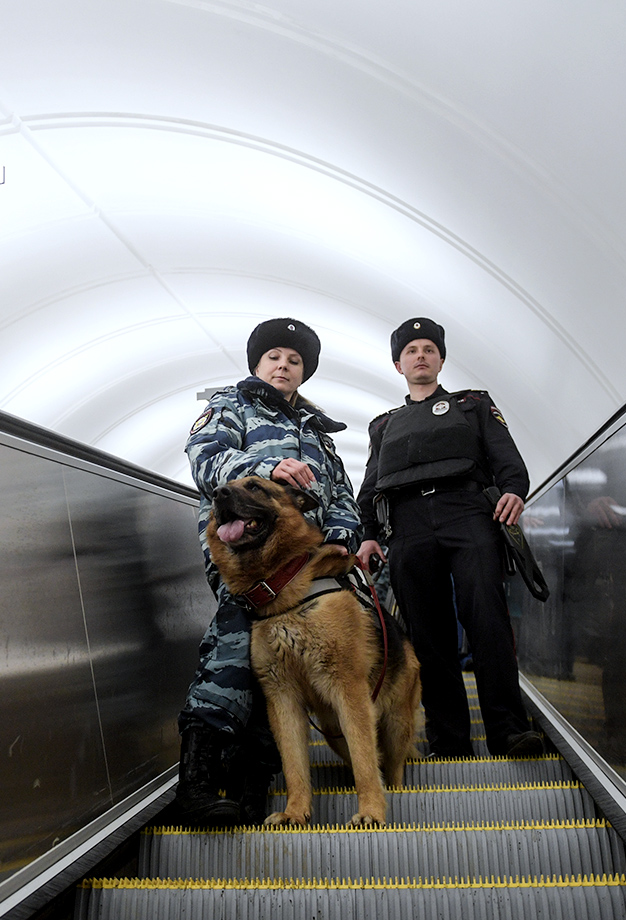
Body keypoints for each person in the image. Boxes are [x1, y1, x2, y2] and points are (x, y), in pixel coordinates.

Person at [176, 317, 361, 824]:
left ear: (304, 373)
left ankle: (252, 785)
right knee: (234, 655)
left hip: (308, 566)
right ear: (258, 364)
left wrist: (346, 536)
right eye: (275, 357)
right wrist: (268, 468)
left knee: (283, 672)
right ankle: (197, 783)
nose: (284, 365)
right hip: (246, 557)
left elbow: (340, 494)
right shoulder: (229, 406)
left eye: (294, 360)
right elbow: (205, 461)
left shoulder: (319, 433)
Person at [355, 318, 544, 758]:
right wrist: (367, 536)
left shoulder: (472, 404)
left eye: (428, 349)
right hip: (407, 523)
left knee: (487, 619)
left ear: (440, 359)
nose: (420, 355)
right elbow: (370, 486)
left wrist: (514, 490)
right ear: (398, 365)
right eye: (411, 351)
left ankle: (508, 730)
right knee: (428, 635)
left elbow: (505, 456)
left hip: (468, 513)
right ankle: (450, 741)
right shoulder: (383, 426)